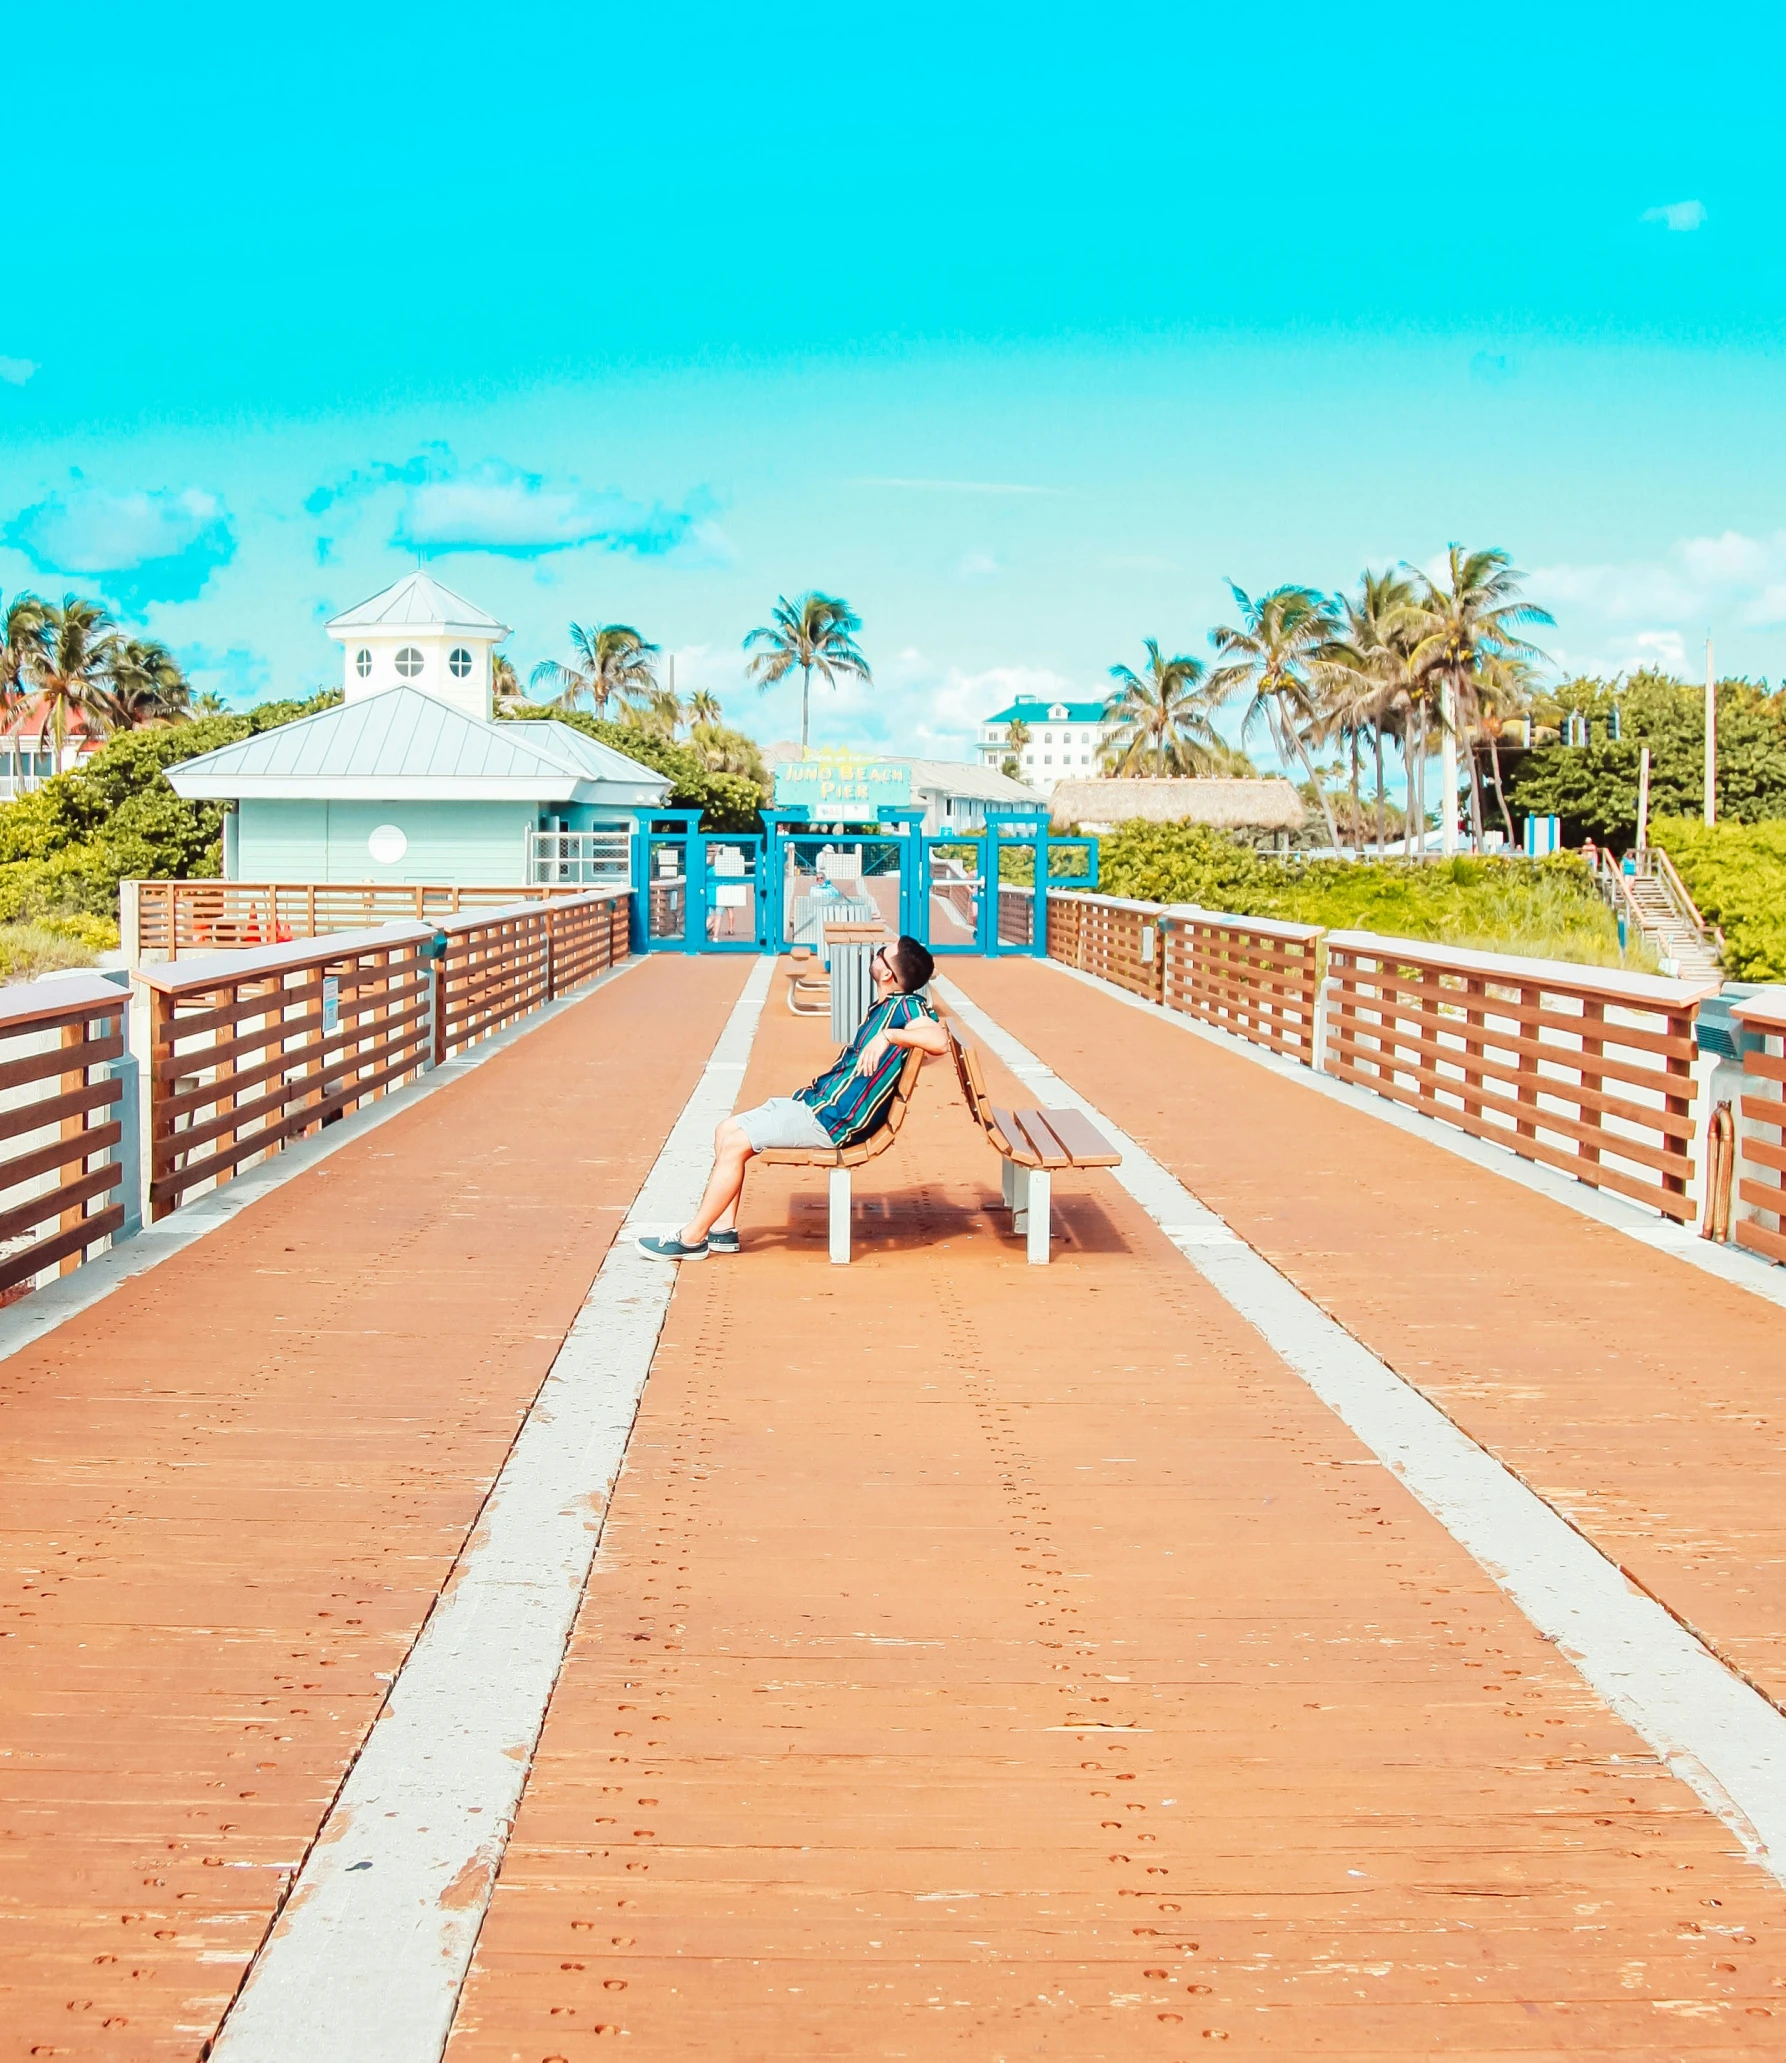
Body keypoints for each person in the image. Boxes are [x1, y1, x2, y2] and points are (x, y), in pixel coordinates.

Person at [639, 934, 947, 1260]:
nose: (879, 950)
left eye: (883, 952)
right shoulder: (888, 1006)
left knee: (735, 1144)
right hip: (816, 1104)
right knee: (725, 1130)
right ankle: (723, 1231)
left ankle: (691, 1238)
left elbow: (937, 1039)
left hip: (831, 1120)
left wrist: (889, 1035)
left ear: (887, 974)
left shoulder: (906, 1007)